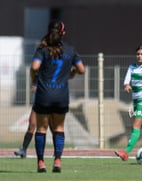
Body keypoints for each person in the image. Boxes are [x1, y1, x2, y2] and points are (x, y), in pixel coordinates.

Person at [31, 20, 85, 173]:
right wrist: (72, 73)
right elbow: (82, 70)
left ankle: (41, 162)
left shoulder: (42, 49)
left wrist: (33, 79)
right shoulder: (70, 50)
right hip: (61, 95)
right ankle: (57, 160)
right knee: (59, 128)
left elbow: (34, 67)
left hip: (44, 94)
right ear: (63, 33)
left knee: (41, 128)